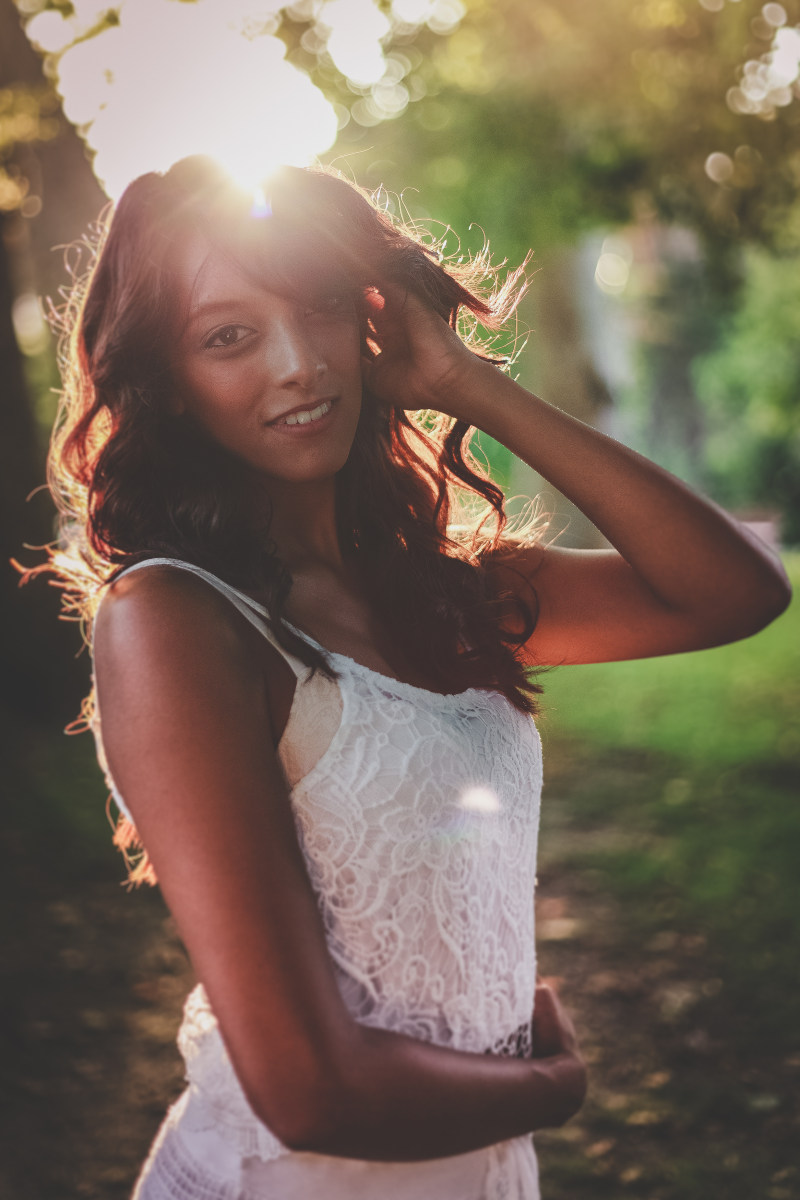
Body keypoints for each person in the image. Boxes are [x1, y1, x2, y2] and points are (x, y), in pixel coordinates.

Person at [44, 155, 789, 1200]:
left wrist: (462, 383)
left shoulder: (438, 589)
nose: (298, 365)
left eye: (316, 310)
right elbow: (307, 1089)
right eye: (228, 337)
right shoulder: (175, 620)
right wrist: (550, 1088)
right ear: (166, 381)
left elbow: (735, 589)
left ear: (367, 318)